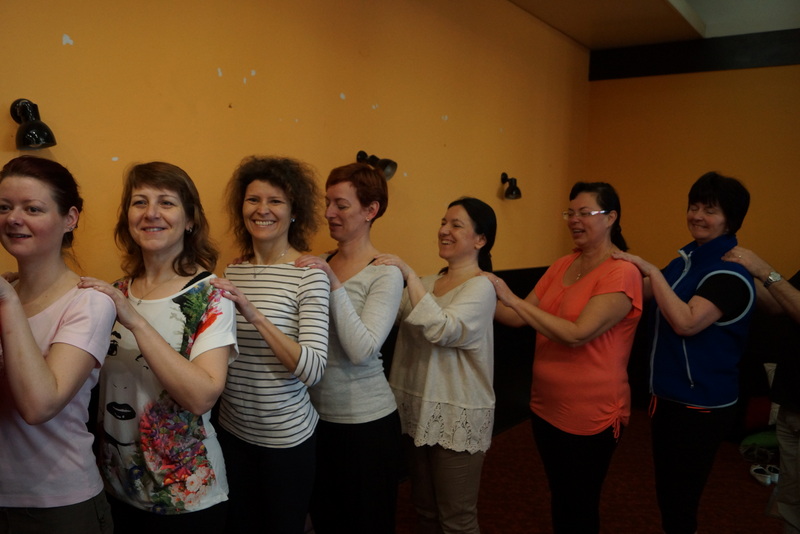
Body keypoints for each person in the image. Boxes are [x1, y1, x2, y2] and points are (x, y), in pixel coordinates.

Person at [78, 162, 238, 533]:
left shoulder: (211, 295)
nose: (151, 213)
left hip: (185, 498)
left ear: (190, 219)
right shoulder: (116, 292)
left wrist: (134, 321)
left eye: (166, 202)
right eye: (140, 202)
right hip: (116, 487)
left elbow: (202, 396)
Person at [487, 181, 642, 533]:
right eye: (570, 213)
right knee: (560, 496)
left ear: (611, 218)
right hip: (546, 405)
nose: (574, 220)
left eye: (584, 213)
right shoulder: (563, 264)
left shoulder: (622, 272)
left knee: (579, 503)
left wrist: (511, 298)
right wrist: (470, 287)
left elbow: (577, 334)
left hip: (591, 414)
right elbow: (514, 316)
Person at [615, 171, 755, 534]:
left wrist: (649, 268)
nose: (697, 216)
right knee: (669, 492)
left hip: (701, 404)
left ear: (730, 220)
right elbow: (645, 291)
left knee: (680, 498)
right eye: (694, 207)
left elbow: (687, 322)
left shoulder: (729, 272)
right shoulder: (687, 259)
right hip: (668, 395)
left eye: (710, 210)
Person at [210, 156, 330, 534]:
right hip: (232, 432)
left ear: (294, 212)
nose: (262, 210)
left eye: (275, 201)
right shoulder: (234, 270)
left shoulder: (308, 274)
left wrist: (253, 313)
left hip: (286, 442)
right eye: (253, 200)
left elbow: (313, 369)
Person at [0, 156, 116, 533]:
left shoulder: (89, 302)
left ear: (70, 219)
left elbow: (39, 405)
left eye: (32, 208)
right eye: (4, 207)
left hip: (56, 505)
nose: (13, 218)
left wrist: (7, 301)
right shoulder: (7, 288)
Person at [374, 196, 497, 534]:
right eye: (443, 222)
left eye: (456, 225)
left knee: (457, 520)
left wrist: (408, 274)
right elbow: (386, 317)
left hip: (457, 414)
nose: (444, 230)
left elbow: (443, 329)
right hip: (416, 410)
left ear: (480, 239)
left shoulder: (482, 286)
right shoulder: (427, 282)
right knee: (425, 510)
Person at [295, 162, 403, 533]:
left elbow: (362, 350)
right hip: (315, 419)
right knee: (326, 520)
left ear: (371, 210)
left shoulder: (384, 272)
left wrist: (334, 284)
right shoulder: (321, 262)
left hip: (365, 425)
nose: (329, 213)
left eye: (341, 205)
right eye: (328, 203)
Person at [723, 246, 800, 534]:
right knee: (790, 502)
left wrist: (762, 269)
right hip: (791, 403)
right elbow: (778, 304)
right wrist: (741, 272)